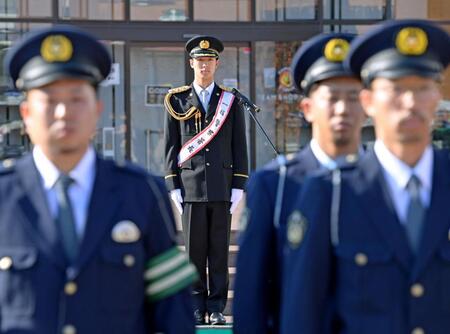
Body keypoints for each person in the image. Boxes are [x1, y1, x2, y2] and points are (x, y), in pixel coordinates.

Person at [0, 25, 197, 334]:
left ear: (97, 110)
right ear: (26, 113)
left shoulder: (141, 193)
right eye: (50, 100)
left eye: (77, 98)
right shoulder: (4, 195)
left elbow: (174, 315)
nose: (64, 112)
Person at [281, 19, 450, 334]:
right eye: (397, 89)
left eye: (422, 87)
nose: (411, 103)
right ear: (368, 101)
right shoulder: (330, 192)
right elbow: (304, 315)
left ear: (437, 96)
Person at [233, 33, 365, 334]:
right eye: (331, 98)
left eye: (353, 97)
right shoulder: (275, 185)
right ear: (307, 108)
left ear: (368, 104)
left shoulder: (384, 184)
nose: (343, 109)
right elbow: (251, 296)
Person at [163, 35, 248, 325]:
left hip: (222, 187)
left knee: (219, 252)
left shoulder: (230, 101)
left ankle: (216, 308)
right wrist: (172, 184)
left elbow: (239, 146)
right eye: (199, 61)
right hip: (190, 188)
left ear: (216, 64)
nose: (204, 65)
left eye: (209, 61)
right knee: (194, 253)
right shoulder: (176, 100)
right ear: (191, 64)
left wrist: (238, 185)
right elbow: (171, 147)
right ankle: (196, 305)